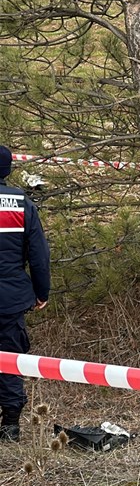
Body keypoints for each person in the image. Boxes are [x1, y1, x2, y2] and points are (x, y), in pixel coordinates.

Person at [0, 146, 50, 442]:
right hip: (10, 300)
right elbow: (39, 255)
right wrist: (41, 292)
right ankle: (10, 428)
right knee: (8, 360)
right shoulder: (21, 203)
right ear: (7, 170)